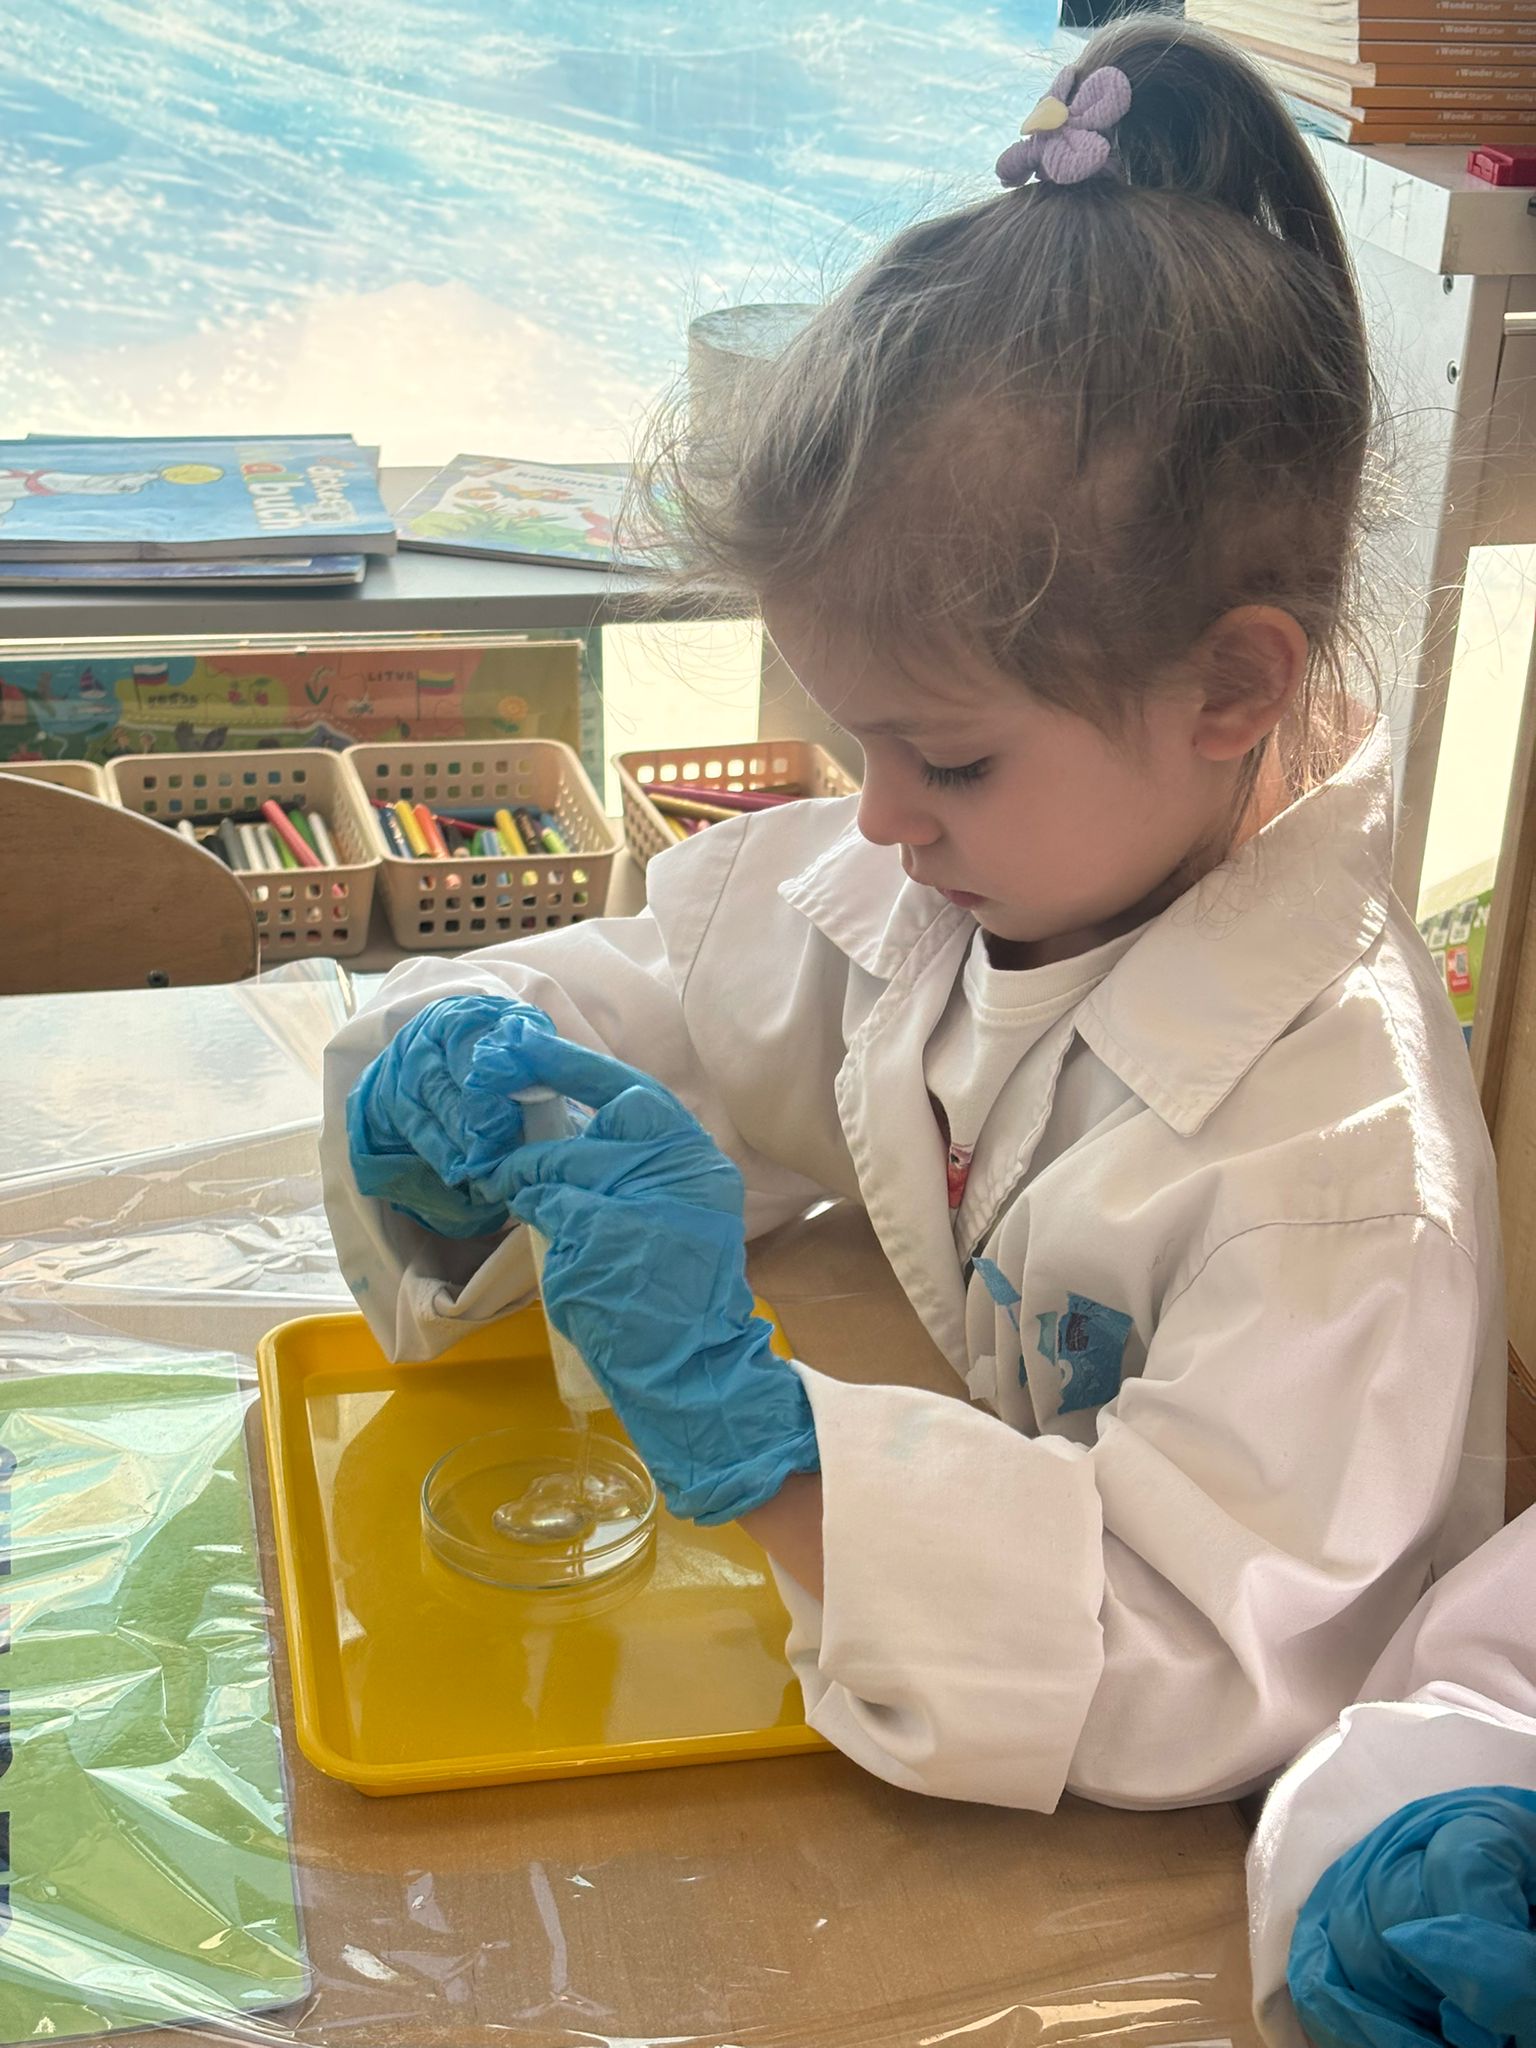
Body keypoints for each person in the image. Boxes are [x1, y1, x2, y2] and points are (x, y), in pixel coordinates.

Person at [322, 18, 1506, 1812]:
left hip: (1187, 1860)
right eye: (853, 740)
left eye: (942, 756)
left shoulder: (1336, 1167)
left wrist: (768, 1449)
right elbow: (679, 998)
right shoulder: (997, 863)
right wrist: (465, 1063)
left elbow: (1201, 1665)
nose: (877, 817)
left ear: (1234, 687)